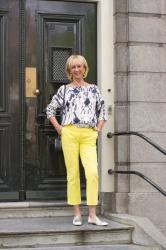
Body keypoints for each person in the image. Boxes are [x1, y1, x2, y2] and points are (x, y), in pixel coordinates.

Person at [46, 55, 108, 226]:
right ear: (69, 70)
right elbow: (50, 109)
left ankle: (93, 215)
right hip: (70, 134)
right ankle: (77, 214)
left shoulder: (94, 89)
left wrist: (98, 129)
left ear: (85, 68)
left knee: (92, 174)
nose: (77, 70)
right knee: (72, 175)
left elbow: (103, 112)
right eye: (73, 67)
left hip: (89, 134)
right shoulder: (64, 90)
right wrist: (59, 128)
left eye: (80, 66)